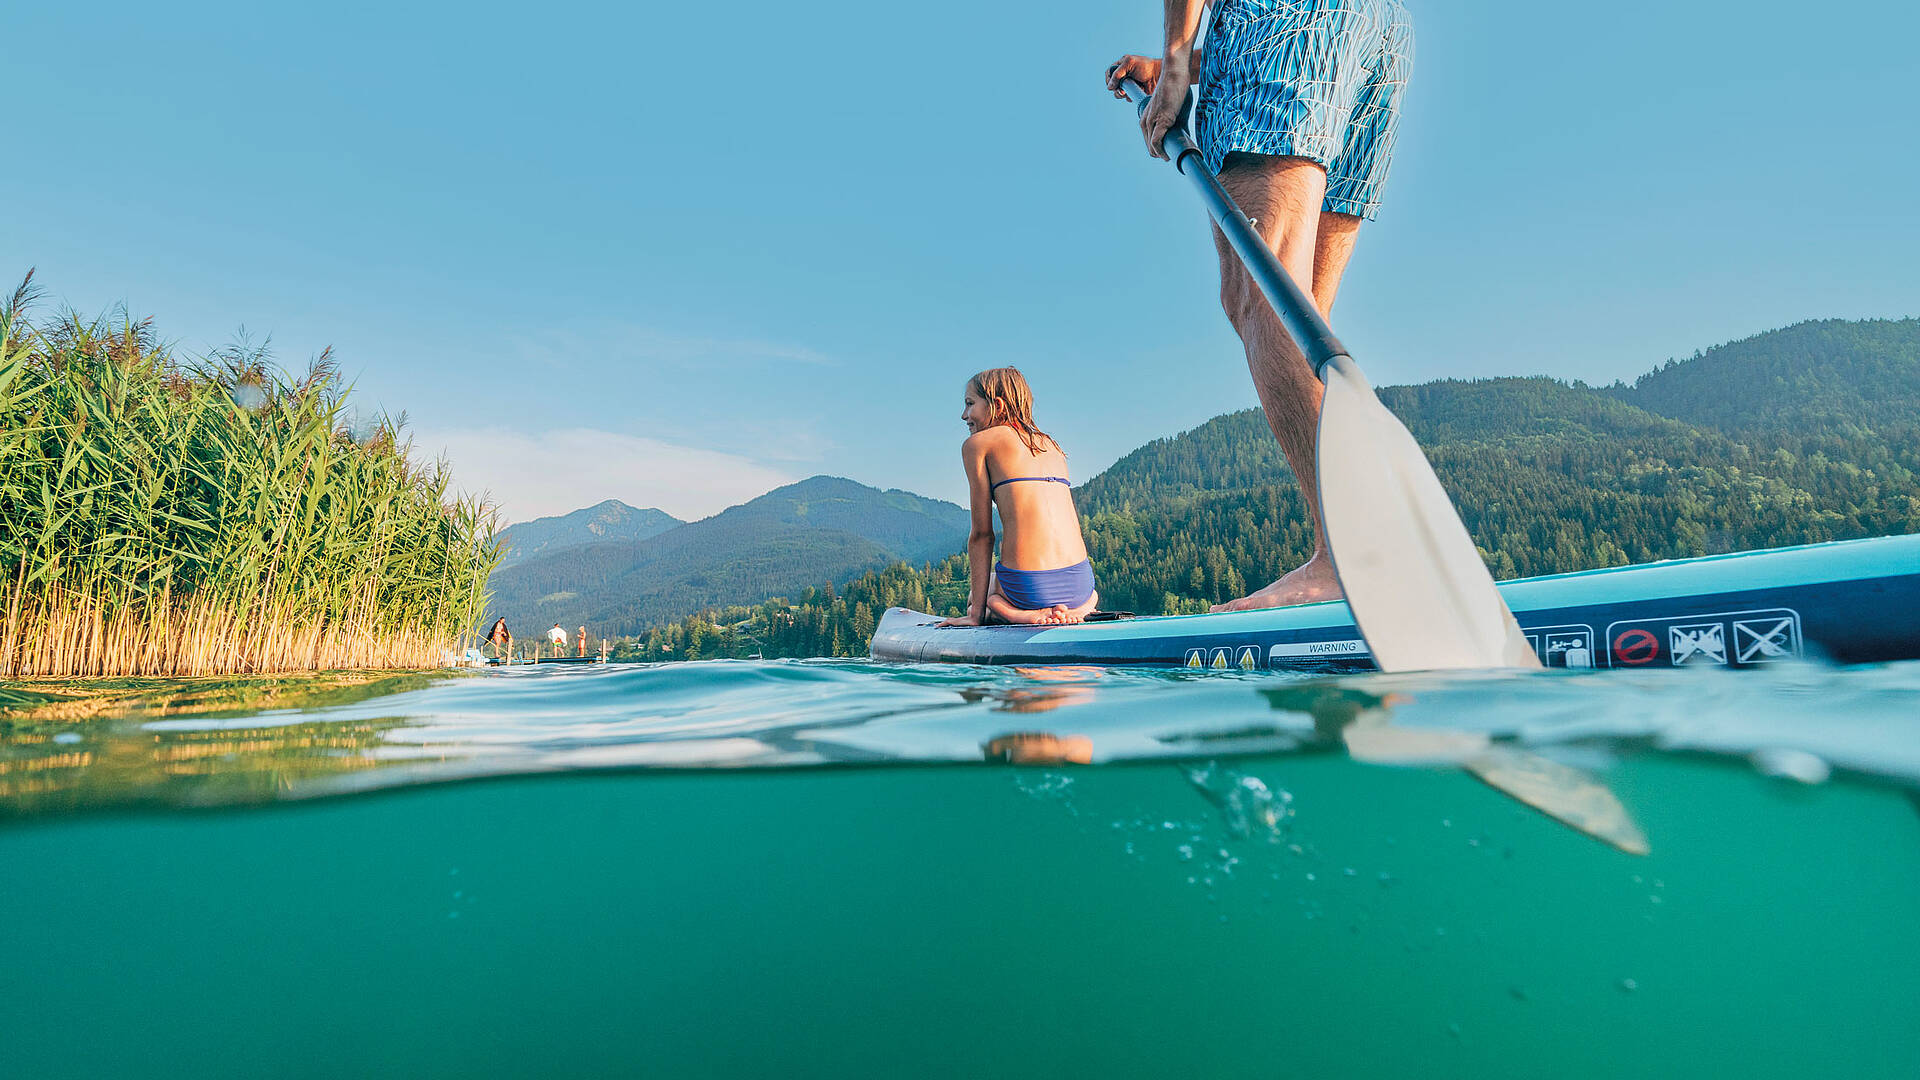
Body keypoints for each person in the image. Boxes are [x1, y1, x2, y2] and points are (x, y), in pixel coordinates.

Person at [1106, 0, 1413, 611]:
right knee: (1300, 316)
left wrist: (1173, 61)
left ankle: (1351, 557)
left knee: (1258, 293)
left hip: (1284, 21)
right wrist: (1193, 66)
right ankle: (1360, 548)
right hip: (1379, 37)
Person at [937, 367, 1099, 627]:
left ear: (997, 406)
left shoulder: (978, 444)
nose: (964, 415)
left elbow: (982, 535)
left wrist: (974, 615)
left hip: (1029, 588)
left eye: (970, 404)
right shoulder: (1052, 445)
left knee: (979, 596)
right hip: (1081, 586)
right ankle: (1078, 609)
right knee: (999, 588)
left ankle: (1022, 614)